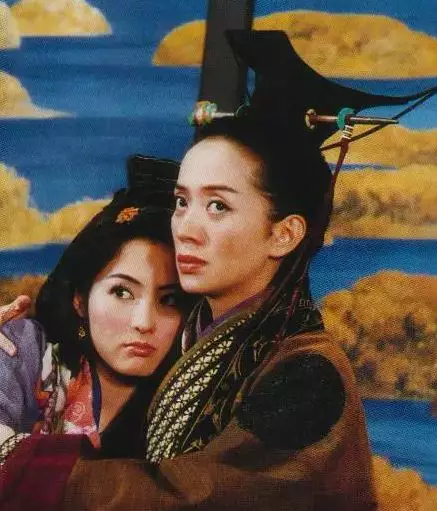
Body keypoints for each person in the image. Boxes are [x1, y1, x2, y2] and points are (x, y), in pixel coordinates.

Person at [1, 29, 433, 511]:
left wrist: (15, 459)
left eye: (218, 207)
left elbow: (196, 497)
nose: (186, 229)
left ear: (284, 234)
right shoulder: (192, 334)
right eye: (182, 202)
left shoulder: (306, 372)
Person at [0, 156, 190, 457]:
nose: (144, 322)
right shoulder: (26, 351)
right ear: (80, 299)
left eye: (169, 299)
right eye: (122, 292)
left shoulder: (195, 395)